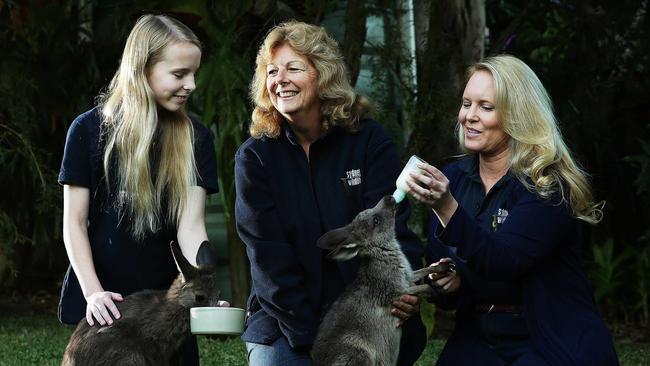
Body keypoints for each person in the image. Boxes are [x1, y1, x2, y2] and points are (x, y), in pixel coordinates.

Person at [405, 54, 619, 365]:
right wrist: (448, 285)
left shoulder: (548, 184)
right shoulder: (453, 178)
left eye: (486, 107)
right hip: (478, 334)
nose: (469, 116)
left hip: (544, 336)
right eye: (466, 104)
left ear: (518, 115)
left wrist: (446, 205)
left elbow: (504, 260)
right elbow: (448, 273)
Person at [235, 21, 426, 365]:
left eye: (294, 68)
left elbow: (393, 226)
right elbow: (268, 259)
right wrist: (312, 339)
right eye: (272, 71)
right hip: (284, 319)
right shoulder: (255, 158)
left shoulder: (368, 141)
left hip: (364, 312)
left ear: (323, 75)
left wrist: (405, 290)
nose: (280, 79)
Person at [58, 14, 226, 365]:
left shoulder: (196, 137)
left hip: (165, 305)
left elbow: (191, 226)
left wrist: (204, 291)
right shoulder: (87, 131)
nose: (191, 84)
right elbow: (75, 222)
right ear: (142, 70)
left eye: (194, 73)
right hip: (106, 302)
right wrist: (93, 293)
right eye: (179, 74)